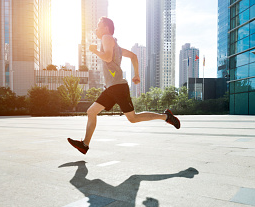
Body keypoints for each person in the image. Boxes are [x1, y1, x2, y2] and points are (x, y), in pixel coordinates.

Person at [68, 17, 180, 155]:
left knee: (133, 118)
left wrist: (95, 51)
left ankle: (166, 117)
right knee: (91, 112)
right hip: (111, 88)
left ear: (106, 28)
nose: (96, 29)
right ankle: (85, 144)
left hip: (118, 87)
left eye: (98, 25)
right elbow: (133, 56)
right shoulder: (116, 46)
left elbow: (108, 57)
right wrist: (137, 74)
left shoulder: (106, 37)